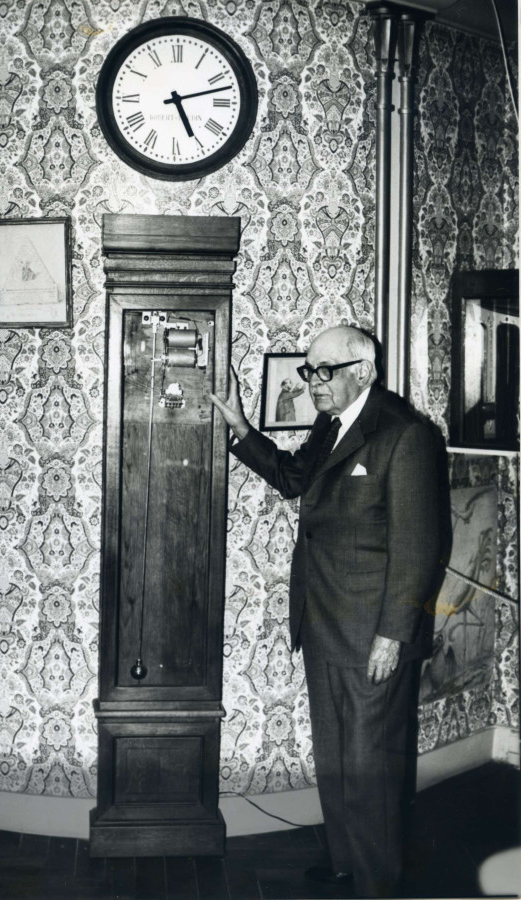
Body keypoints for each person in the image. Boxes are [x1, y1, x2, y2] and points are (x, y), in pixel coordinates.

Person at [209, 325, 447, 899]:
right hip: (323, 620)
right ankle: (347, 861)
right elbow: (294, 480)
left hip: (373, 634)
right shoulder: (332, 424)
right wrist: (241, 429)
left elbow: (423, 547)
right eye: (308, 370)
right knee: (338, 756)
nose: (312, 382)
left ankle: (376, 884)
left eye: (323, 371)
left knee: (370, 766)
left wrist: (393, 635)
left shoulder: (404, 435)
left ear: (361, 371)